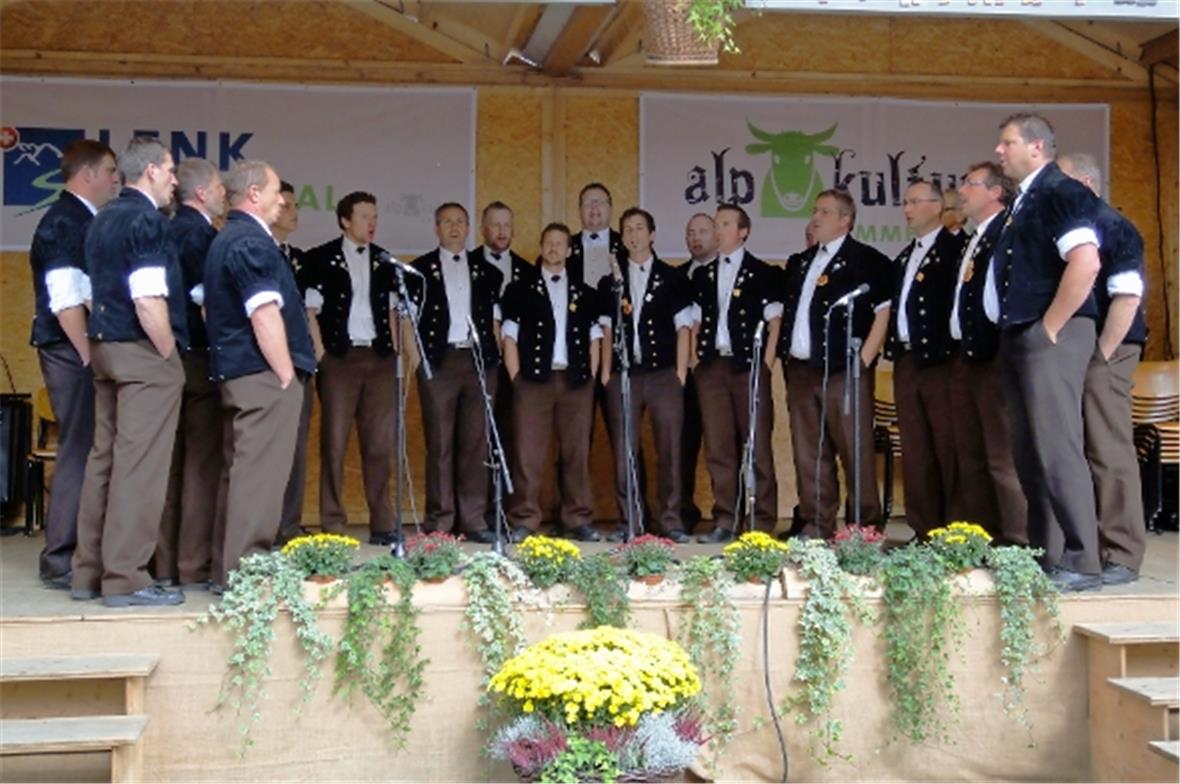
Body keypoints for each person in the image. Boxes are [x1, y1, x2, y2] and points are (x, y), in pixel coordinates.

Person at [71, 137, 187, 607]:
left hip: (104, 348)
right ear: (152, 172)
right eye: (171, 170)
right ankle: (126, 579)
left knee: (105, 461)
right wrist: (168, 353)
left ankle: (88, 573)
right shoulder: (146, 221)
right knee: (140, 468)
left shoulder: (102, 220)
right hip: (141, 353)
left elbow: (84, 292)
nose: (175, 180)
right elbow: (147, 298)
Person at [992, 113, 1104, 592]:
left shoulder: (1061, 191)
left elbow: (1086, 262)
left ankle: (1083, 559)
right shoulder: (1027, 198)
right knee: (1030, 450)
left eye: (1007, 142)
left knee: (1058, 446)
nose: (999, 151)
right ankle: (1046, 553)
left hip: (1051, 334)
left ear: (1036, 147)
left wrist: (1050, 328)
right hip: (1021, 334)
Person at [203, 160, 315, 581]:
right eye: (273, 192)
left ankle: (229, 569)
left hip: (244, 372)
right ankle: (247, 572)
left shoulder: (231, 237)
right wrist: (286, 375)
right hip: (263, 375)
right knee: (259, 477)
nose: (281, 200)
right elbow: (264, 313)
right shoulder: (250, 242)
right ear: (252, 194)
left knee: (243, 472)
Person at [28, 139, 118, 590]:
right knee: (79, 448)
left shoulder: (81, 219)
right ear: (88, 175)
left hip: (75, 346)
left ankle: (74, 552)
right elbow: (65, 300)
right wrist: (89, 355)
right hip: (70, 348)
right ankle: (60, 557)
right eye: (111, 172)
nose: (116, 181)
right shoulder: (64, 221)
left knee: (85, 448)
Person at [777, 189, 891, 539]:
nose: (815, 217)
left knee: (854, 450)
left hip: (845, 372)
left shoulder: (867, 260)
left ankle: (863, 528)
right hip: (801, 371)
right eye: (815, 210)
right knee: (809, 454)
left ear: (846, 219)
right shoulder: (801, 262)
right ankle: (816, 526)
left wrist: (863, 360)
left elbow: (883, 312)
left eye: (825, 212)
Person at [1059, 152, 1148, 586]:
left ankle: (1124, 553)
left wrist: (1103, 355)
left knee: (1108, 449)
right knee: (1079, 449)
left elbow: (1127, 297)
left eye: (1064, 182)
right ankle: (1088, 546)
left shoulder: (1112, 225)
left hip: (1108, 349)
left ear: (1087, 184)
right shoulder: (1072, 228)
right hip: (1078, 352)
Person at [302, 192, 400, 545]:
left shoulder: (385, 260)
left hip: (378, 358)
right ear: (345, 220)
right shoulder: (320, 258)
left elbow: (392, 312)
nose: (371, 223)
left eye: (374, 216)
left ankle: (383, 522)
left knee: (379, 443)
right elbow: (309, 311)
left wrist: (395, 354)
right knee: (335, 440)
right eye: (364, 216)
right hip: (339, 360)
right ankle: (332, 521)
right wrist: (322, 356)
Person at [597, 207, 694, 541]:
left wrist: (681, 373)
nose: (633, 234)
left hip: (664, 374)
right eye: (627, 230)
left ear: (652, 235)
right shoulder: (610, 281)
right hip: (625, 375)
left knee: (669, 448)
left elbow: (684, 329)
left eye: (639, 228)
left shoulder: (673, 277)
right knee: (625, 450)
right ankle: (632, 521)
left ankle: (670, 520)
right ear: (622, 238)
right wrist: (606, 373)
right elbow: (607, 331)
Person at [501, 223, 602, 542]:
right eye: (549, 243)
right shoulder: (519, 289)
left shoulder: (585, 293)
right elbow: (509, 337)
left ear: (570, 250)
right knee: (528, 453)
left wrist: (591, 379)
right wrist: (516, 378)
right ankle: (525, 518)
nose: (555, 248)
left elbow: (595, 338)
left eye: (561, 244)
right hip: (533, 381)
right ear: (541, 247)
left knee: (577, 452)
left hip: (575, 381)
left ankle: (578, 517)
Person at [408, 203, 503, 543]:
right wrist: (419, 363)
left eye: (460, 222)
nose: (454, 227)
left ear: (469, 228)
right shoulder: (418, 270)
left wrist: (494, 359)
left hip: (477, 362)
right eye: (447, 221)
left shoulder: (488, 270)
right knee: (441, 442)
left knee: (475, 443)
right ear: (436, 228)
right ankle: (441, 519)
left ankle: (473, 519)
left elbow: (495, 321)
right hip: (440, 362)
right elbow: (406, 320)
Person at [947, 161, 1028, 546]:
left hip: (995, 356)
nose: (962, 191)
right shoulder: (975, 237)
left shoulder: (1007, 233)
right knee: (972, 453)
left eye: (970, 183)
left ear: (996, 191)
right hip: (968, 356)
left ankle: (1018, 540)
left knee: (1001, 454)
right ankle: (982, 536)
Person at [691, 205, 782, 543]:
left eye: (726, 224)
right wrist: (694, 361)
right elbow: (695, 323)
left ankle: (761, 523)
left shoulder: (763, 272)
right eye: (717, 224)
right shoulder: (703, 275)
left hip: (749, 367)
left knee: (756, 446)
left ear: (743, 231)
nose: (718, 229)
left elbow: (775, 323)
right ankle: (726, 519)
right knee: (719, 448)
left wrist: (767, 364)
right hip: (713, 367)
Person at [155, 158, 225, 589]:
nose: (223, 192)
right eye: (219, 185)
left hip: (163, 358)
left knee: (168, 466)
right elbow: (208, 303)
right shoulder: (202, 236)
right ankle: (193, 566)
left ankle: (161, 566)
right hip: (197, 359)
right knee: (201, 465)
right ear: (202, 193)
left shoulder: (162, 227)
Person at [882, 180, 966, 538]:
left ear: (937, 206)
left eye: (915, 201)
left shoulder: (957, 250)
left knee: (947, 445)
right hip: (907, 359)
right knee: (915, 447)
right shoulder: (905, 255)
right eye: (905, 202)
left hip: (941, 361)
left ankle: (955, 529)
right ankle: (924, 528)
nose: (907, 208)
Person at [470, 201, 536, 526]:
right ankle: (478, 514)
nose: (501, 232)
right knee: (478, 439)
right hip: (480, 367)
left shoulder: (528, 271)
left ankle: (511, 514)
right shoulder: (466, 265)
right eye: (495, 225)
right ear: (483, 229)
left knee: (516, 439)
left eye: (507, 225)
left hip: (520, 371)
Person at [272, 180, 313, 545]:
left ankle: (289, 525)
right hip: (266, 364)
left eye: (295, 205)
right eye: (285, 205)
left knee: (296, 448)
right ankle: (263, 526)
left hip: (298, 362)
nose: (292, 212)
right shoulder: (257, 250)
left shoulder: (300, 258)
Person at [679, 213, 719, 530]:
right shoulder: (676, 277)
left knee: (724, 446)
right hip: (683, 377)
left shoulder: (730, 274)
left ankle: (728, 516)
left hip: (719, 371)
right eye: (690, 232)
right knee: (682, 444)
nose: (696, 238)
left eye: (702, 232)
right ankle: (681, 513)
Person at [568, 183, 623, 288]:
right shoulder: (566, 246)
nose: (594, 207)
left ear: (610, 209)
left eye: (600, 202)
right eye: (588, 203)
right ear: (579, 210)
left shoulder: (625, 244)